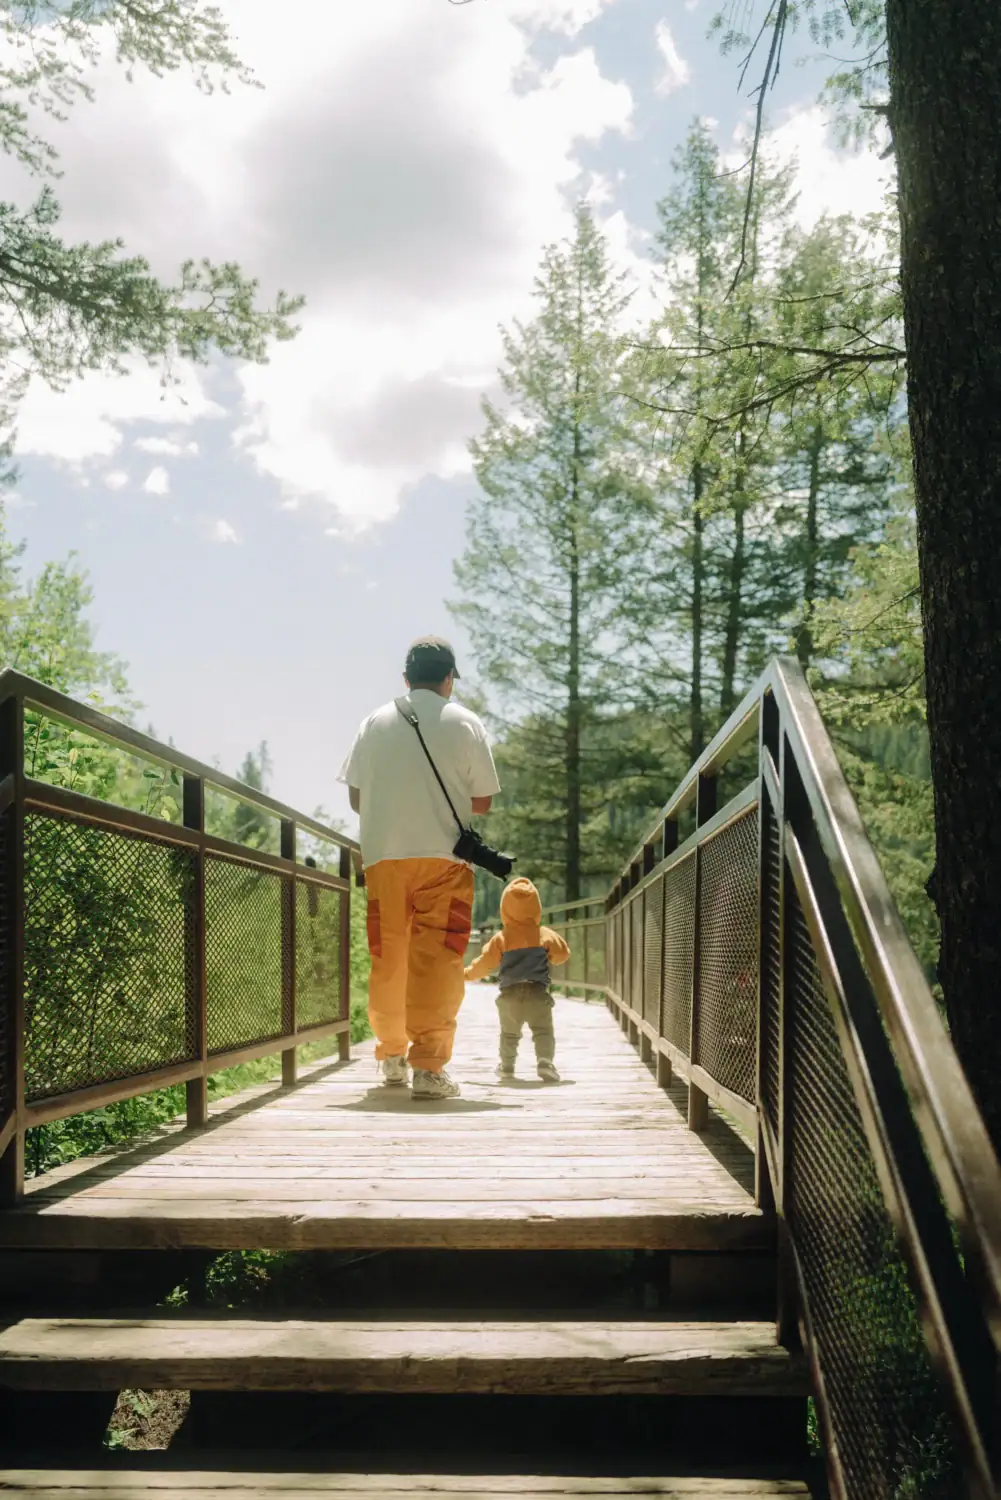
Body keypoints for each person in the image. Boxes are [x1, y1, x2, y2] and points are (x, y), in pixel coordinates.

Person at [340, 636, 500, 1100]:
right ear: (449, 678)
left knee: (389, 958)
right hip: (445, 861)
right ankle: (429, 1068)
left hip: (384, 860)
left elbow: (355, 797)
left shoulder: (373, 722)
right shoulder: (466, 722)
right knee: (437, 962)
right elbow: (483, 800)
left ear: (406, 679)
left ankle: (391, 1057)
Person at [463, 876, 569, 1083]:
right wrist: (552, 957)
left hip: (509, 994)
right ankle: (545, 1062)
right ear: (536, 906)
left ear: (505, 907)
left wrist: (466, 974)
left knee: (509, 1034)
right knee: (543, 1031)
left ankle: (507, 1066)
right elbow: (562, 954)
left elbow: (485, 963)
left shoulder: (502, 938)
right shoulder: (543, 934)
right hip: (537, 993)